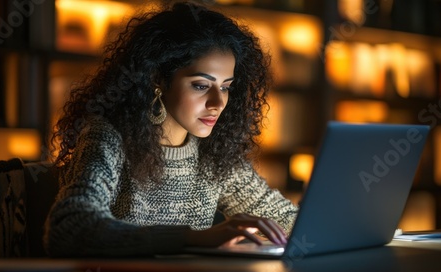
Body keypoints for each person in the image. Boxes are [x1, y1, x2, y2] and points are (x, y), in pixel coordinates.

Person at [44, 1, 298, 257]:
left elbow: (287, 219)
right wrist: (193, 238)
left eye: (225, 87)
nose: (218, 103)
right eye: (200, 85)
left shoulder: (216, 155)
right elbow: (70, 228)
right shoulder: (108, 138)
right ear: (158, 79)